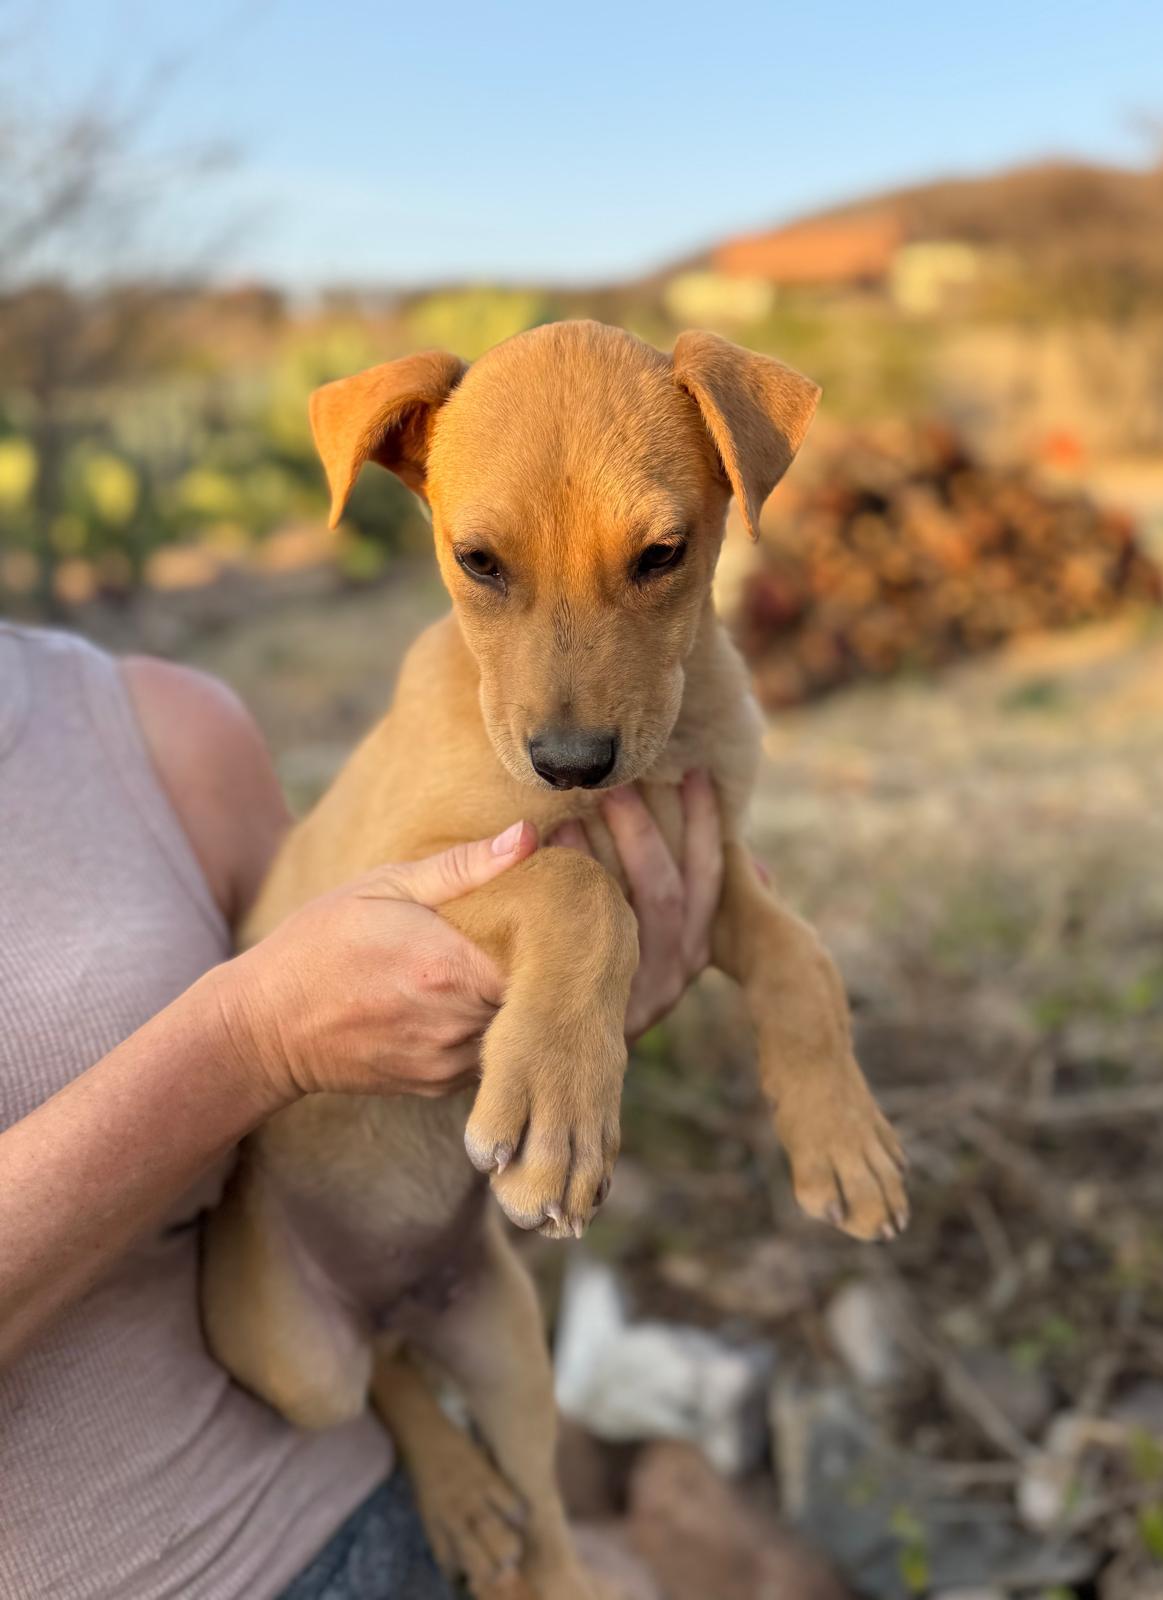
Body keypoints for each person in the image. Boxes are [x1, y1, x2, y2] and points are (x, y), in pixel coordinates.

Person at [0, 620, 723, 1600]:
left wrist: (563, 1015)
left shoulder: (164, 727)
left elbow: (367, 1029)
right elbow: (286, 1024)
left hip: (366, 1510)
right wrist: (250, 1041)